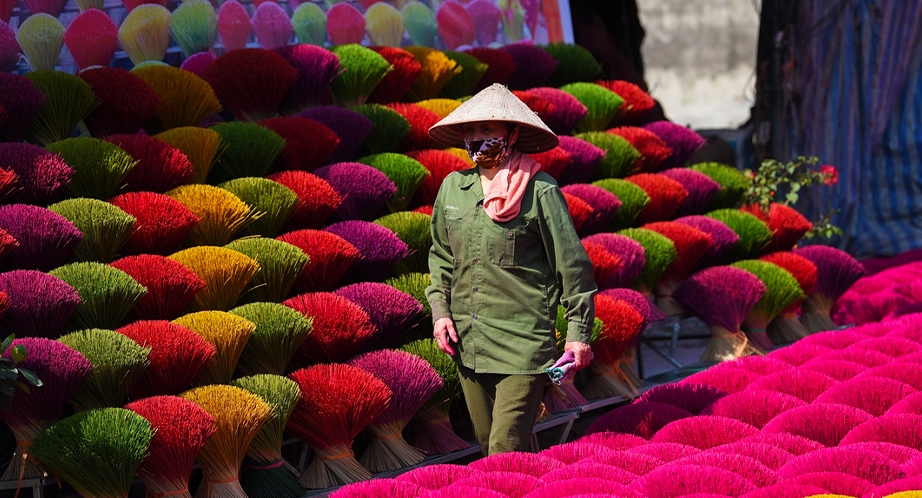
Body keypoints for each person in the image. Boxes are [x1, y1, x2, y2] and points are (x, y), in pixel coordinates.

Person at [425, 83, 597, 455]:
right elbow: (440, 257)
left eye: (488, 130)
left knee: (504, 448)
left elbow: (574, 267)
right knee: (491, 447)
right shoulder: (453, 189)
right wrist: (440, 312)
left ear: (512, 133)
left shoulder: (540, 191)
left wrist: (578, 334)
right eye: (470, 131)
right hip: (467, 345)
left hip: (522, 346)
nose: (477, 138)